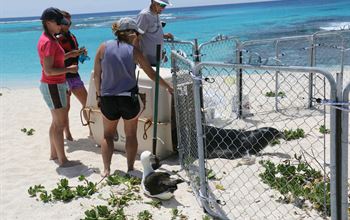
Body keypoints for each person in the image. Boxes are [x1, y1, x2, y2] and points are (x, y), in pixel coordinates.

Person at [94, 17, 173, 177]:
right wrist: (168, 87)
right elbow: (151, 74)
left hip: (108, 98)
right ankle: (130, 168)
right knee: (130, 135)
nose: (138, 36)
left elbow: (97, 75)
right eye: (137, 33)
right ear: (131, 33)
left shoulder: (103, 47)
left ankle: (106, 170)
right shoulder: (134, 51)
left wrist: (98, 95)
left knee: (107, 135)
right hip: (128, 98)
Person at [37, 7, 81, 167]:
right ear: (48, 22)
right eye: (58, 23)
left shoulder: (49, 38)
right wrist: (69, 69)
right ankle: (63, 160)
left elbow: (56, 59)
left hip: (54, 85)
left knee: (56, 122)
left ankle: (54, 154)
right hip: (53, 85)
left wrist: (69, 55)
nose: (61, 27)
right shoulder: (48, 42)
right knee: (60, 124)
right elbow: (48, 70)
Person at [56, 10, 90, 141]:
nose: (68, 25)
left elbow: (74, 56)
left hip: (74, 75)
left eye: (70, 22)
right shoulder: (55, 39)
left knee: (87, 103)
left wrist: (81, 54)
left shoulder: (71, 36)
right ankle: (68, 134)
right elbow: (53, 60)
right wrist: (71, 54)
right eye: (66, 22)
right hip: (62, 76)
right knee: (66, 107)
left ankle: (92, 130)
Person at [136, 0, 174, 66]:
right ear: (154, 2)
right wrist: (141, 58)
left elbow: (151, 32)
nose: (164, 8)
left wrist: (164, 36)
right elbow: (137, 37)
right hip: (148, 61)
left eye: (165, 6)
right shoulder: (144, 15)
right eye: (162, 5)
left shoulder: (156, 14)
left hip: (157, 58)